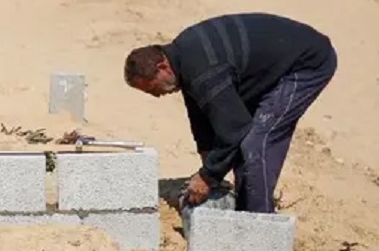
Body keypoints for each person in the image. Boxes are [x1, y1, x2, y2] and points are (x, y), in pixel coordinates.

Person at [123, 12, 338, 213]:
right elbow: (201, 114)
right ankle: (245, 206)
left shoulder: (204, 71)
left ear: (162, 67)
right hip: (265, 69)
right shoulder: (183, 57)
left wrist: (208, 176)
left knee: (258, 140)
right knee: (242, 142)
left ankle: (258, 223)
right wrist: (209, 163)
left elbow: (235, 129)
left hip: (308, 62)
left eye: (152, 87)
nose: (155, 96)